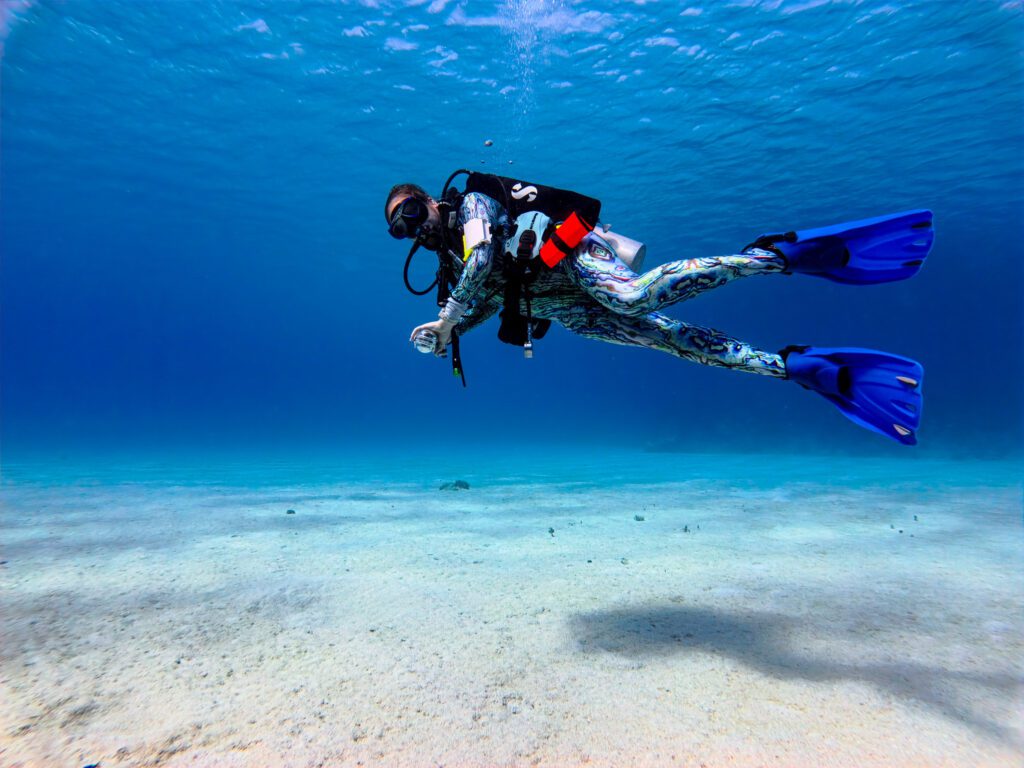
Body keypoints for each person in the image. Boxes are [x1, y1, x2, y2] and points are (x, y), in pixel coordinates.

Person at [385, 172, 932, 444]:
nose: (412, 226)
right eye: (399, 227)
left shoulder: (473, 206)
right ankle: (793, 367)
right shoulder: (451, 271)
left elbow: (483, 257)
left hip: (573, 257)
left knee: (633, 295)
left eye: (411, 211)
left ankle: (775, 256)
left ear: (431, 200)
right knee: (668, 340)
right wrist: (442, 337)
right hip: (566, 309)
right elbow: (476, 302)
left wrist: (449, 317)